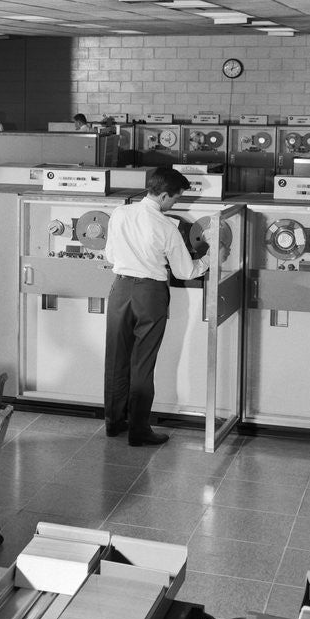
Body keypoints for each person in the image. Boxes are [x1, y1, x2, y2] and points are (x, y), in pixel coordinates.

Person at [103, 166, 224, 446]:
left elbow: (110, 254)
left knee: (116, 360)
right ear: (164, 196)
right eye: (176, 199)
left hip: (119, 290)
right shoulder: (166, 227)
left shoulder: (120, 213)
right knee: (142, 364)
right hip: (149, 294)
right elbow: (185, 272)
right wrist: (212, 256)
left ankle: (113, 423)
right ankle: (139, 431)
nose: (176, 204)